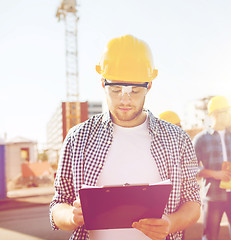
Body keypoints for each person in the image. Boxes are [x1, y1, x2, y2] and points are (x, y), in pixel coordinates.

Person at [49, 35, 201, 240]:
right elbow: (59, 204)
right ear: (103, 83)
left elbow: (192, 202)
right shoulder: (78, 138)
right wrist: (72, 216)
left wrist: (171, 223)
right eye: (116, 89)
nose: (125, 99)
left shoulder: (178, 139)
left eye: (135, 91)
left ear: (149, 86)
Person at [193, 96, 231, 240]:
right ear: (215, 114)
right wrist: (214, 174)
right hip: (213, 197)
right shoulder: (200, 140)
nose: (230, 116)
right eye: (226, 112)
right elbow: (190, 168)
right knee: (210, 237)